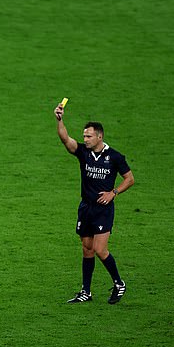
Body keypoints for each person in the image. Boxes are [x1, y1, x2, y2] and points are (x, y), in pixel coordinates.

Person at [54, 102, 135, 304]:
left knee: (100, 249)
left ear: (100, 136)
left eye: (89, 136)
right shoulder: (83, 153)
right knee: (87, 248)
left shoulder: (115, 157)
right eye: (84, 136)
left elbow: (130, 179)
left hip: (103, 209)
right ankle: (86, 292)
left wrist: (113, 192)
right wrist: (60, 119)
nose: (85, 139)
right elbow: (65, 139)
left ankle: (119, 283)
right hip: (86, 207)